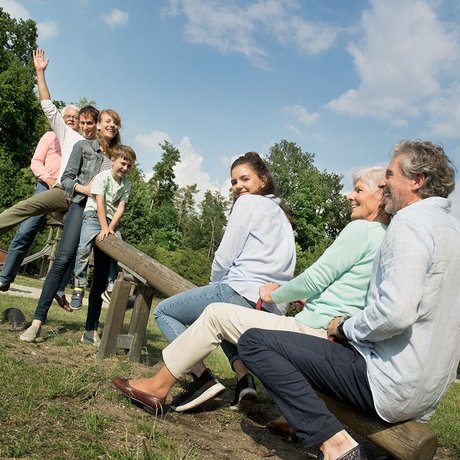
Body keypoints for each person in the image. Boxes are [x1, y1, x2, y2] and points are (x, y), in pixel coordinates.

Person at [237, 140, 460, 460]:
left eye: (390, 175)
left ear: (416, 181)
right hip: (428, 395)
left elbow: (396, 313)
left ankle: (335, 444)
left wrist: (345, 327)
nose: (384, 183)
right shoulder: (453, 230)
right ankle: (302, 424)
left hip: (390, 384)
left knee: (255, 343)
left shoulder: (409, 223)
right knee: (312, 348)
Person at [111, 166, 390, 416]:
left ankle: (161, 387)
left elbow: (316, 278)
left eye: (358, 190)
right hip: (333, 337)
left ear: (380, 195)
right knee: (230, 323)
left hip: (308, 329)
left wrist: (275, 295)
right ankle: (272, 405)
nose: (349, 196)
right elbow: (351, 291)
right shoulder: (385, 239)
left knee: (214, 314)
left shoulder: (361, 230)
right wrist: (307, 300)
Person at [151, 151, 296, 412]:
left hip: (240, 287)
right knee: (226, 323)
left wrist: (212, 285)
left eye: (244, 179)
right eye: (233, 182)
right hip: (269, 304)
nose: (238, 186)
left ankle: (202, 378)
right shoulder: (282, 215)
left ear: (263, 180)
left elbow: (224, 255)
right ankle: (244, 381)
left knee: (164, 312)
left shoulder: (247, 204)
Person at [20, 109, 122, 345]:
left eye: (116, 123)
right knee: (63, 258)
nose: (112, 125)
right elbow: (66, 179)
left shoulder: (118, 155)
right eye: (108, 121)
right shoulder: (83, 148)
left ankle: (90, 330)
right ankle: (37, 322)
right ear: (98, 125)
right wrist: (85, 189)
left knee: (102, 269)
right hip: (80, 205)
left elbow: (121, 189)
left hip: (103, 215)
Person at [0, 48, 99, 237]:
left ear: (96, 125)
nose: (85, 126)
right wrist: (40, 72)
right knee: (25, 209)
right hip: (62, 192)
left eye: (88, 123)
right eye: (83, 122)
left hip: (81, 200)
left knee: (76, 235)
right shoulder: (69, 136)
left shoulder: (99, 147)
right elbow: (48, 106)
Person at [0, 108, 80, 310]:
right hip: (45, 187)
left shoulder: (79, 143)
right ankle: (5, 277)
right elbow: (36, 161)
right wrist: (49, 179)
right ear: (61, 120)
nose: (71, 120)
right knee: (26, 231)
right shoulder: (51, 136)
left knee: (75, 236)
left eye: (75, 118)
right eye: (68, 117)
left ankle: (59, 289)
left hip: (65, 195)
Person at [70, 145, 136, 310]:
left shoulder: (126, 184)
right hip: (93, 216)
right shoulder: (102, 177)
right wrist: (103, 227)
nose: (125, 168)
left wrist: (111, 227)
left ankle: (112, 287)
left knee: (119, 254)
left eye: (129, 166)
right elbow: (99, 202)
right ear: (112, 161)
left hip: (111, 221)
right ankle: (79, 285)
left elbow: (121, 208)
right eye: (123, 163)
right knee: (84, 248)